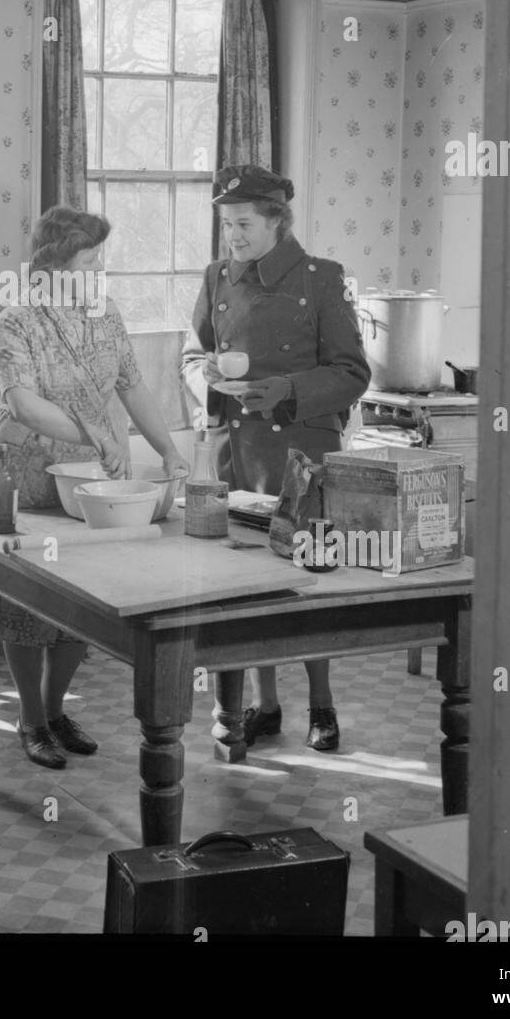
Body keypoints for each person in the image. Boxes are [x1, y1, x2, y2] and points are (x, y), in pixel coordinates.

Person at [0, 205, 190, 769]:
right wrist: (95, 432)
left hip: (90, 477)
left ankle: (56, 711)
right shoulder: (17, 321)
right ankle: (31, 718)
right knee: (25, 605)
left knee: (83, 599)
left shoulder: (106, 314)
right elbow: (22, 404)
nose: (98, 270)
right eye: (88, 261)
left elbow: (133, 386)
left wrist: (168, 449)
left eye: (99, 259)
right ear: (53, 267)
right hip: (25, 476)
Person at [181, 164, 371, 751]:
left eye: (243, 224)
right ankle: (264, 706)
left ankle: (322, 706)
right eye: (226, 224)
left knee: (307, 582)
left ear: (276, 222)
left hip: (301, 457)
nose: (232, 236)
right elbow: (192, 355)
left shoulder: (323, 278)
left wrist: (286, 389)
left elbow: (352, 373)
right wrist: (206, 379)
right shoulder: (215, 277)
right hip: (235, 455)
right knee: (242, 587)